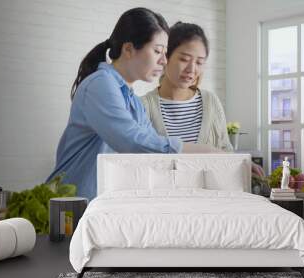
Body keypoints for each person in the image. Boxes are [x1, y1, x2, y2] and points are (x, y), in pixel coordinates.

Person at [46, 8, 220, 201]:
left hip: (99, 207)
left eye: (165, 53)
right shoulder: (100, 84)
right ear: (128, 49)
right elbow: (132, 142)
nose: (163, 61)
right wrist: (208, 152)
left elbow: (152, 151)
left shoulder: (132, 101)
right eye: (157, 51)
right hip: (71, 206)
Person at [140, 22, 233, 151]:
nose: (192, 69)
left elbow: (226, 150)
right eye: (184, 59)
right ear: (166, 57)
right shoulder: (143, 106)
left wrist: (244, 163)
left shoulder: (211, 102)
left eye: (199, 62)